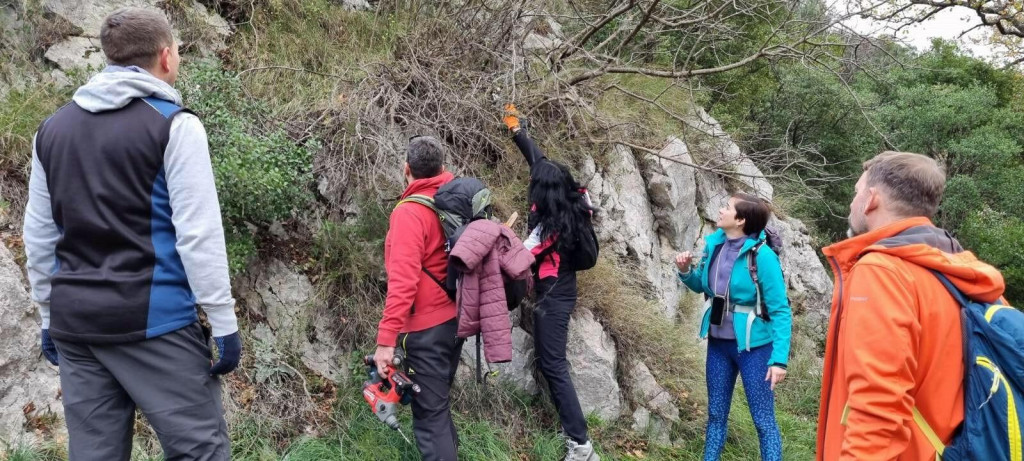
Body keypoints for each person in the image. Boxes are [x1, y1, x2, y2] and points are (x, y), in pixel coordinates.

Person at [22, 8, 239, 460]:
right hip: (153, 321)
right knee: (201, 450)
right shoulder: (174, 126)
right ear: (165, 56)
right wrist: (222, 321)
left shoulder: (51, 131)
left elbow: (40, 237)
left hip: (76, 325)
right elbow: (198, 234)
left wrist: (47, 312)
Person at [816, 152, 1005, 460]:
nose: (852, 203)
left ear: (871, 200)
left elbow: (877, 406)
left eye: (856, 192)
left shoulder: (883, 272)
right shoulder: (962, 271)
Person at [502, 104, 600, 461]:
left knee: (552, 364)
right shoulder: (571, 197)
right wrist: (517, 130)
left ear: (543, 194)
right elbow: (539, 161)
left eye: (532, 186)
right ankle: (577, 438)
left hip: (554, 296)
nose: (530, 186)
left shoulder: (548, 229)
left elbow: (518, 261)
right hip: (561, 288)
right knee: (551, 362)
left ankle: (581, 445)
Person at [675, 193, 792, 461]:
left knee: (763, 421)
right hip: (718, 344)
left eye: (726, 207)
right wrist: (685, 272)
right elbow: (704, 288)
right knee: (716, 414)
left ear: (740, 220)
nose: (720, 210)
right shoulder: (714, 246)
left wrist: (779, 360)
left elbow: (781, 310)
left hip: (756, 349)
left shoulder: (762, 257)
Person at [373, 135, 463, 461]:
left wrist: (386, 341)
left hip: (426, 330)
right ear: (442, 167)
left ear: (406, 169)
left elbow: (403, 283)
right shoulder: (452, 198)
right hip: (455, 319)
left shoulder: (409, 213)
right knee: (436, 406)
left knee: (429, 418)